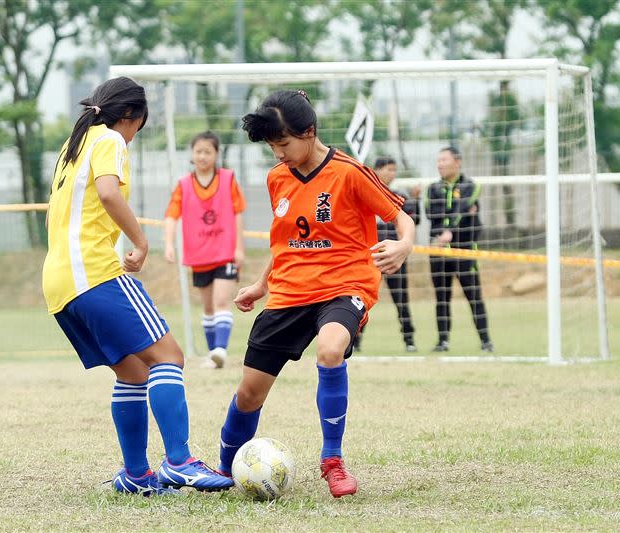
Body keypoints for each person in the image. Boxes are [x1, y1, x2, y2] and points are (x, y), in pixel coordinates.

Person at [214, 89, 415, 498]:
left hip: (345, 285)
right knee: (249, 392)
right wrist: (260, 284)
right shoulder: (277, 178)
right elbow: (284, 242)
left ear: (309, 132)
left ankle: (333, 461)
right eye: (272, 146)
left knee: (330, 349)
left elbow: (400, 216)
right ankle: (222, 467)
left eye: (283, 144)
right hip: (289, 290)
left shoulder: (350, 172)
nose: (278, 154)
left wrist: (403, 244)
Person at [42, 77, 233, 496]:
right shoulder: (109, 139)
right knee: (169, 355)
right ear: (131, 117)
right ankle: (179, 461)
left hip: (58, 284)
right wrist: (142, 242)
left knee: (133, 372)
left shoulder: (71, 146)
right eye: (138, 128)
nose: (133, 136)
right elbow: (109, 194)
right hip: (93, 272)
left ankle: (135, 474)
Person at [164, 131, 246, 369]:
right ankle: (214, 354)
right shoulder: (183, 185)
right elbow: (171, 215)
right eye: (198, 151)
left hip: (225, 252)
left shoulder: (228, 179)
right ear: (192, 154)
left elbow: (238, 213)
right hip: (199, 255)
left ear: (216, 154)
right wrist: (169, 243)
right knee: (208, 307)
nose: (202, 156)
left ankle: (221, 349)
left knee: (222, 301)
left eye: (207, 151)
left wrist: (239, 248)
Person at [425, 145, 494, 353]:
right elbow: (431, 213)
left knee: (474, 296)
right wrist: (448, 229)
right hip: (438, 251)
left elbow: (463, 209)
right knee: (441, 297)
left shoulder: (470, 186)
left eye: (444, 160)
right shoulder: (432, 189)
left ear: (457, 162)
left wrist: (451, 231)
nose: (440, 164)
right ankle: (443, 341)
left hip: (464, 250)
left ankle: (485, 341)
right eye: (438, 161)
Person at [354, 157, 419, 353]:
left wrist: (417, 200)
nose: (393, 173)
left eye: (395, 170)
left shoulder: (399, 196)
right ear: (378, 170)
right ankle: (354, 340)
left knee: (401, 299)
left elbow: (415, 223)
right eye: (389, 169)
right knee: (361, 298)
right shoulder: (363, 194)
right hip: (369, 257)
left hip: (393, 256)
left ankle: (409, 340)